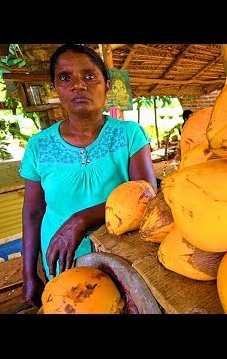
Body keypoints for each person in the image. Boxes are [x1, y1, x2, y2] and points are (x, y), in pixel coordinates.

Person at [19, 44, 157, 308]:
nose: (78, 85)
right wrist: (28, 274)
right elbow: (33, 213)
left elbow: (146, 195)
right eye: (65, 77)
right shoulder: (39, 146)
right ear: (55, 89)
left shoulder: (129, 135)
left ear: (107, 85)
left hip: (122, 257)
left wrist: (81, 220)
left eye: (90, 76)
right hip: (62, 259)